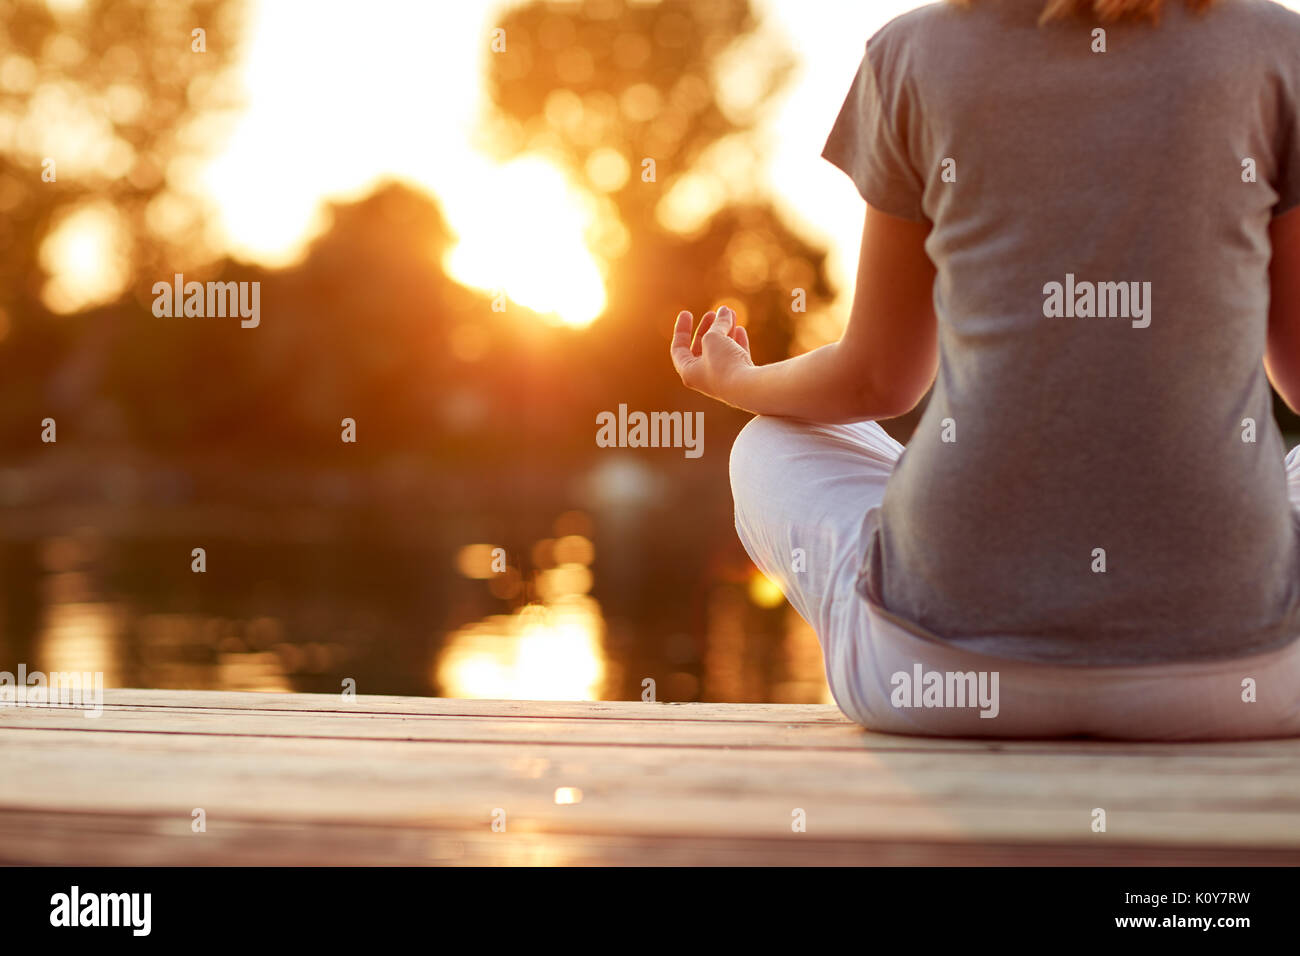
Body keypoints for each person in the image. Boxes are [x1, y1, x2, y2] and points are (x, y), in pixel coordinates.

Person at [670, 0, 1300, 739]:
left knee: (769, 442)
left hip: (932, 675)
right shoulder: (1276, 45)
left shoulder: (911, 52)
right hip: (1246, 682)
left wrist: (736, 382)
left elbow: (876, 381)